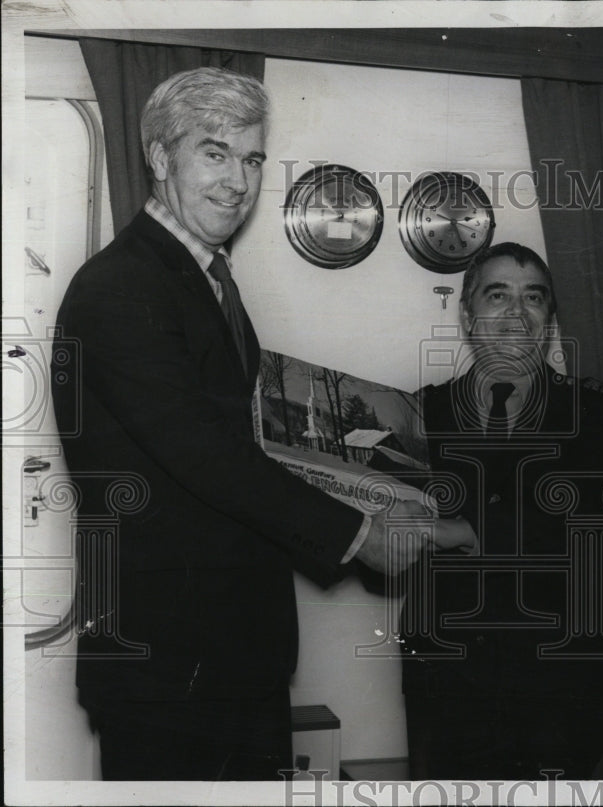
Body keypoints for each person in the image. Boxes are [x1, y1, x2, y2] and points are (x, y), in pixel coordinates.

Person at [51, 67, 471, 781]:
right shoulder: (119, 288)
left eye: (251, 159)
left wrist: (383, 491)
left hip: (227, 656)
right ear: (159, 157)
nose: (237, 182)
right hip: (169, 668)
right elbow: (208, 457)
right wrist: (361, 533)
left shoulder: (206, 278)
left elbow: (254, 443)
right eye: (215, 153)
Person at [399, 242, 603, 780]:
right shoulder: (418, 414)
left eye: (533, 298)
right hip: (446, 684)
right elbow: (393, 560)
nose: (515, 313)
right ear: (466, 314)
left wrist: (462, 531)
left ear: (550, 319)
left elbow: (590, 528)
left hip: (563, 686)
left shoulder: (602, 414)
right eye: (497, 295)